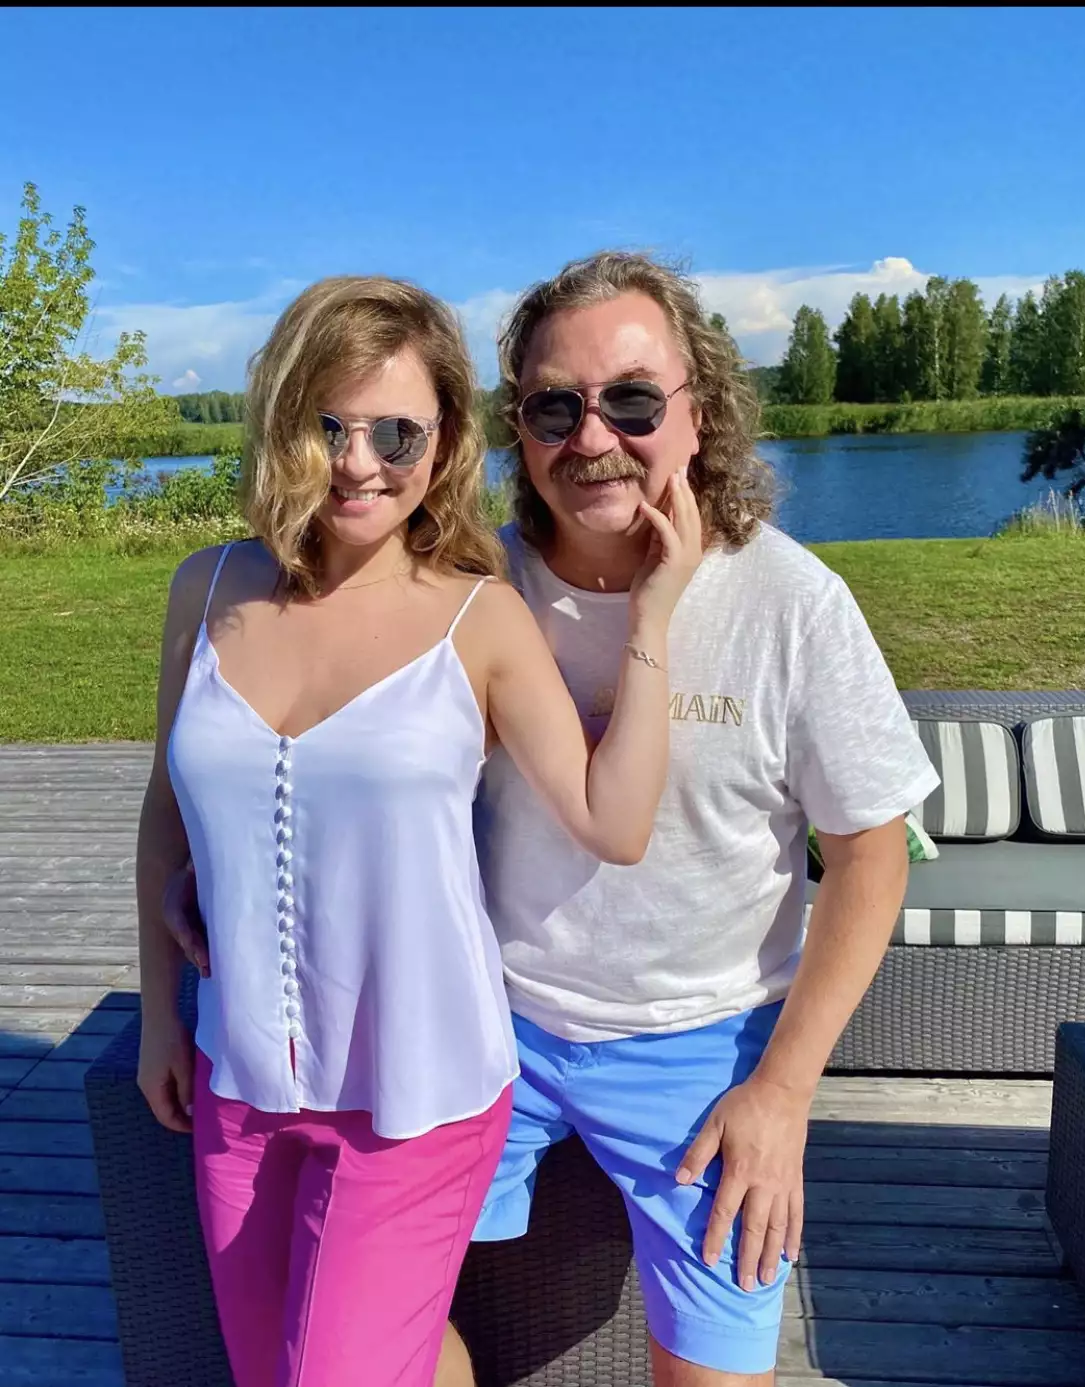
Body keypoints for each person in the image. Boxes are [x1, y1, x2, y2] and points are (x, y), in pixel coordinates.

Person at [166, 252, 940, 1387]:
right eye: (554, 407)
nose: (592, 437)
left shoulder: (789, 603)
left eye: (631, 399)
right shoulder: (469, 577)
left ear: (701, 411)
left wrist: (782, 1091)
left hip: (698, 1036)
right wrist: (238, 861)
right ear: (514, 430)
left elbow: (871, 855)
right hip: (491, 1021)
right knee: (351, 1337)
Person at [135, 273, 701, 1387]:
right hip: (240, 1086)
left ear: (442, 446)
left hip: (418, 1097)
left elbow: (614, 820)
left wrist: (655, 613)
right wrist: (163, 1017)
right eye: (328, 426)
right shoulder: (207, 590)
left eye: (396, 432)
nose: (358, 463)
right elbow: (168, 816)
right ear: (282, 424)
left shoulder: (476, 618)